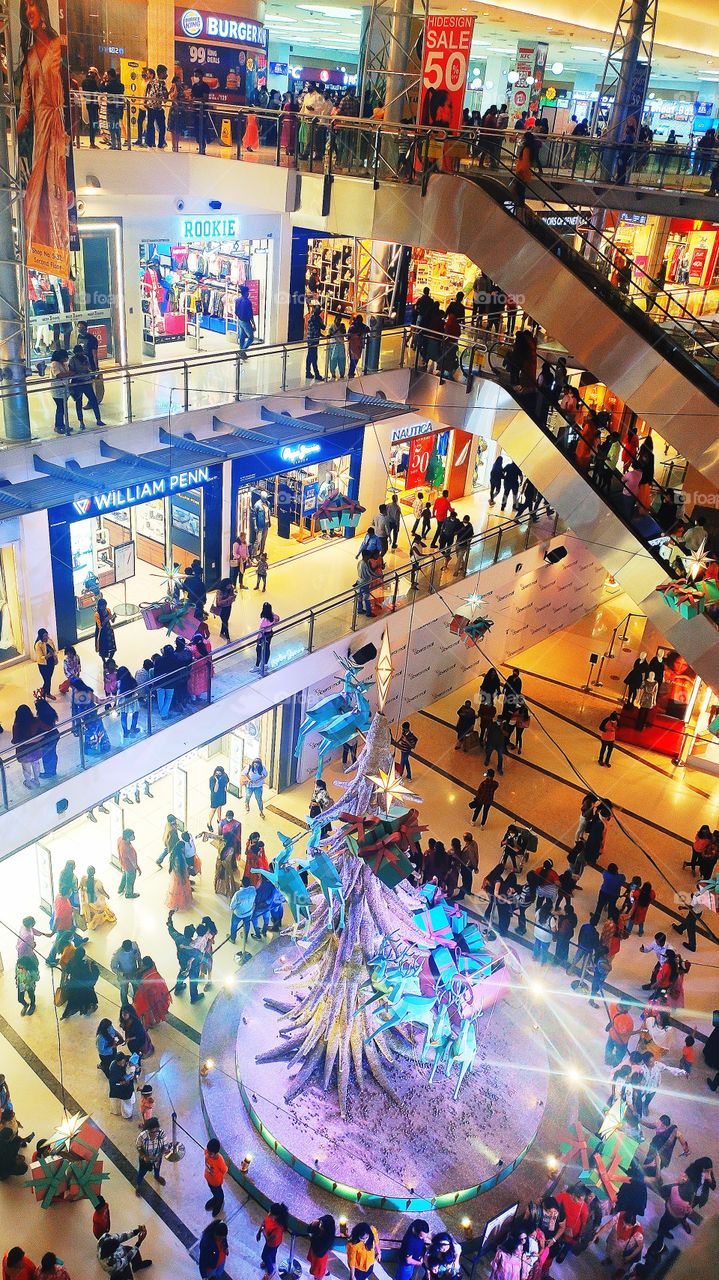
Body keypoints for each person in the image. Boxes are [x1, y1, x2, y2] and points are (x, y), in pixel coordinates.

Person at [133, 956, 172, 1030]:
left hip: (150, 994)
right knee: (153, 1008)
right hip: (152, 992)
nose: (141, 965)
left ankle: (150, 1022)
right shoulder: (152, 968)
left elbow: (145, 985)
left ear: (146, 965)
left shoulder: (149, 974)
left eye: (143, 964)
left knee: (150, 1009)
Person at [11, 704, 44, 789]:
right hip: (36, 748)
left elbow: (15, 740)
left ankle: (28, 782)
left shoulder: (17, 726)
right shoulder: (36, 721)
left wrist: (25, 742)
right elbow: (42, 734)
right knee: (36, 764)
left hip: (23, 751)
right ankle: (37, 780)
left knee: (26, 768)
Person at [258, 1202, 288, 1280]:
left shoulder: (278, 1228)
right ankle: (272, 1262)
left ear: (277, 1216)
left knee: (265, 1255)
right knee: (271, 1254)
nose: (269, 1214)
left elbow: (268, 1238)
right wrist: (259, 1232)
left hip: (273, 1243)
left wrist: (262, 1230)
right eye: (270, 1211)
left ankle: (271, 1271)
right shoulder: (270, 1217)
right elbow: (264, 1222)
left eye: (271, 1213)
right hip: (270, 1243)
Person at [229, 876, 256, 953]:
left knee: (234, 925)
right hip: (248, 912)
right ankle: (245, 937)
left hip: (238, 914)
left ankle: (232, 938)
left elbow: (232, 906)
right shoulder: (253, 889)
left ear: (242, 883)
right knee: (247, 925)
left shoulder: (238, 894)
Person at [166, 838, 193, 912]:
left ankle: (183, 900)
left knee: (182, 887)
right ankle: (178, 902)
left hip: (181, 873)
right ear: (181, 848)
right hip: (179, 875)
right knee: (179, 888)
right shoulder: (178, 857)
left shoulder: (177, 854)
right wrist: (182, 877)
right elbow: (178, 868)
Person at [204, 1137, 228, 1216]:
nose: (208, 1153)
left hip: (216, 1182)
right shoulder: (207, 1152)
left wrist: (218, 1177)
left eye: (210, 1153)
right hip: (209, 1178)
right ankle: (215, 1198)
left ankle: (219, 1203)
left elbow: (224, 1170)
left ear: (216, 1152)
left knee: (218, 1193)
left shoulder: (219, 1160)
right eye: (208, 1151)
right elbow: (206, 1152)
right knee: (214, 1191)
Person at [307, 1215, 336, 1280]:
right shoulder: (320, 1223)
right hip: (315, 1251)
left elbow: (319, 1253)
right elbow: (308, 1230)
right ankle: (326, 1272)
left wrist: (312, 1238)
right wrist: (312, 1224)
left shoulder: (328, 1239)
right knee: (318, 1268)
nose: (320, 1226)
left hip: (319, 1257)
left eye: (322, 1226)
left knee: (318, 1273)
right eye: (320, 1224)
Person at [254, 601, 280, 671]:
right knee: (267, 649)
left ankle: (257, 666)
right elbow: (278, 618)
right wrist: (271, 613)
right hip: (270, 633)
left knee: (258, 650)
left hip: (264, 635)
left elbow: (261, 631)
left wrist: (258, 640)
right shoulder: (272, 617)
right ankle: (265, 664)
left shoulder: (264, 620)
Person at [34, 628, 57, 699]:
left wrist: (54, 656)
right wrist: (47, 656)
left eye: (47, 635)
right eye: (44, 636)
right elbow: (40, 657)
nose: (46, 637)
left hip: (51, 662)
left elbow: (54, 650)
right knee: (47, 680)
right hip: (43, 664)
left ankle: (46, 693)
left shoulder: (50, 641)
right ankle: (43, 694)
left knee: (49, 679)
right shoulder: (38, 644)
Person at [117, 830, 141, 899]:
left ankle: (121, 888)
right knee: (130, 880)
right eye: (132, 835)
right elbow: (133, 861)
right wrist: (138, 868)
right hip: (130, 867)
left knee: (125, 875)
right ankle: (129, 893)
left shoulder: (120, 839)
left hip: (123, 863)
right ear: (128, 837)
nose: (134, 837)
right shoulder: (127, 848)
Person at [235, 284, 255, 357]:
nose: (249, 293)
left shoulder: (237, 300)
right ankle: (242, 350)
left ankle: (242, 352)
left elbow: (236, 312)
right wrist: (253, 324)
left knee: (242, 336)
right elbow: (250, 314)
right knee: (251, 337)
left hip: (240, 320)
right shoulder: (247, 301)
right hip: (246, 321)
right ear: (246, 292)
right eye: (248, 292)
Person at [213, 578, 236, 642]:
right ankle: (228, 638)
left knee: (225, 621)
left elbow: (232, 595)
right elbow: (219, 603)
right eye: (228, 586)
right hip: (222, 608)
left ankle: (221, 633)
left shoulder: (231, 588)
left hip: (228, 606)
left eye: (230, 585)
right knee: (225, 622)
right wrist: (228, 599)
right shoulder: (220, 591)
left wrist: (233, 597)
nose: (230, 587)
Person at [305, 305, 325, 380]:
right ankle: (315, 374)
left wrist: (322, 335)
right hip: (312, 341)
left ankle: (309, 372)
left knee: (310, 356)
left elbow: (319, 329)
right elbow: (322, 327)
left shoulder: (316, 318)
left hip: (313, 340)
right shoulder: (314, 319)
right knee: (313, 357)